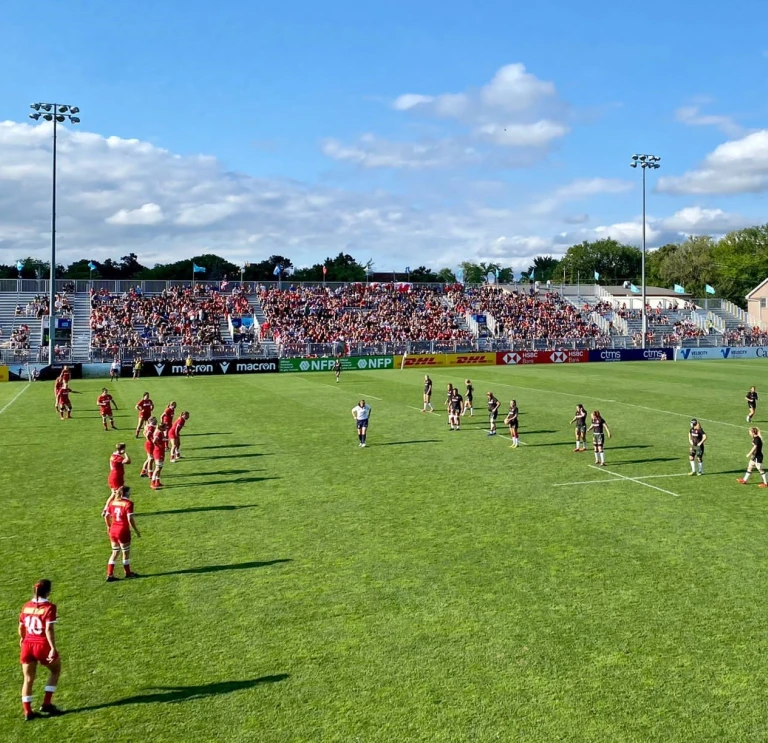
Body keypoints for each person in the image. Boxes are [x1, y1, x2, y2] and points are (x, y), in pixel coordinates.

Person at [18, 579, 63, 720]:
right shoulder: (49, 607)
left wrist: (22, 638)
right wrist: (52, 648)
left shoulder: (26, 606)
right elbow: (49, 629)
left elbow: (21, 627)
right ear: (48, 592)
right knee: (55, 670)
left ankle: (27, 711)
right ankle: (46, 703)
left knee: (28, 678)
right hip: (41, 645)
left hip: (27, 644)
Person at [104, 486, 141, 581]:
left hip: (113, 530)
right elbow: (130, 519)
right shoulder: (128, 503)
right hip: (123, 530)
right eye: (129, 492)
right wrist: (136, 530)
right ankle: (128, 573)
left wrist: (108, 526)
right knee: (125, 552)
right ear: (126, 493)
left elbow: (106, 516)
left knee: (115, 552)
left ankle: (110, 574)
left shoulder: (112, 502)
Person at [151, 424, 168, 490]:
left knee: (160, 468)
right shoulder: (158, 433)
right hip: (158, 452)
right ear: (161, 427)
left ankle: (157, 481)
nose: (166, 428)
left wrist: (164, 440)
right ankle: (152, 482)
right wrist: (158, 446)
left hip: (161, 452)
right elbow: (154, 441)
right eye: (165, 427)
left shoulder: (160, 432)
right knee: (157, 468)